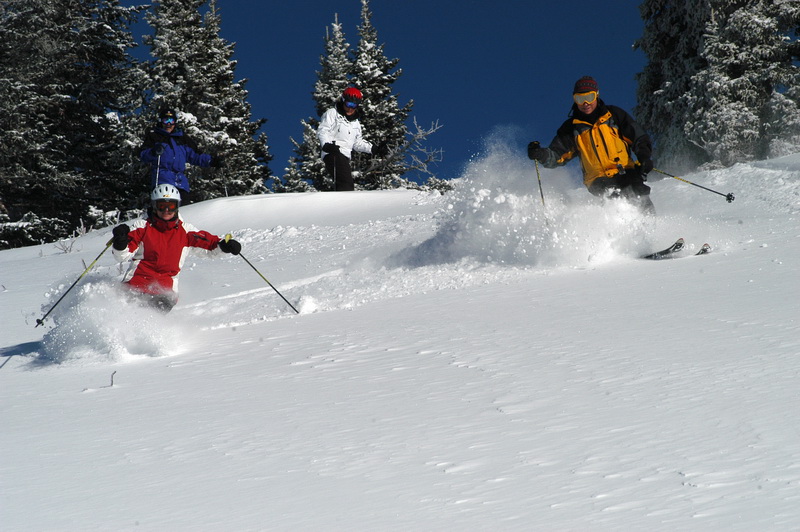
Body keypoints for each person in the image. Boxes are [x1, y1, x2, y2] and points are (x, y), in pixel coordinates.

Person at [527, 76, 655, 214]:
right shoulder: (571, 129)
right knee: (615, 200)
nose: (585, 103)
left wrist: (644, 157)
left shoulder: (614, 115)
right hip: (598, 179)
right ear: (574, 100)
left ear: (597, 95)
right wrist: (541, 154)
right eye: (580, 99)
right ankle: (621, 231)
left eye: (589, 97)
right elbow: (557, 155)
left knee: (639, 194)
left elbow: (638, 137)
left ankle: (651, 229)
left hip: (625, 170)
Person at [111, 184, 241, 313]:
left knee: (152, 317)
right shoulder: (143, 227)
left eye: (171, 206)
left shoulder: (186, 232)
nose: (166, 210)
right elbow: (122, 255)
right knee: (129, 315)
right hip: (136, 285)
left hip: (164, 292)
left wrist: (224, 246)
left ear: (177, 207)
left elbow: (210, 246)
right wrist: (120, 242)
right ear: (155, 206)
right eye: (162, 206)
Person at [139, 107, 223, 205]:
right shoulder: (154, 136)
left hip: (181, 182)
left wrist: (212, 161)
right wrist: (153, 152)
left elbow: (195, 155)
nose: (168, 124)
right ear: (160, 121)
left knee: (184, 209)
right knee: (166, 210)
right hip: (163, 180)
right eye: (165, 120)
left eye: (171, 120)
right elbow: (143, 155)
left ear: (175, 122)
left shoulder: (181, 138)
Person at [317, 87, 388, 191]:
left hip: (345, 156)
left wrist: (374, 149)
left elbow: (357, 143)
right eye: (349, 104)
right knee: (346, 183)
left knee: (345, 182)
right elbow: (323, 130)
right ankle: (345, 204)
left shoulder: (355, 123)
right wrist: (327, 145)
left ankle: (340, 203)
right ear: (343, 101)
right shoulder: (333, 113)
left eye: (354, 105)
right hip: (333, 152)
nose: (350, 108)